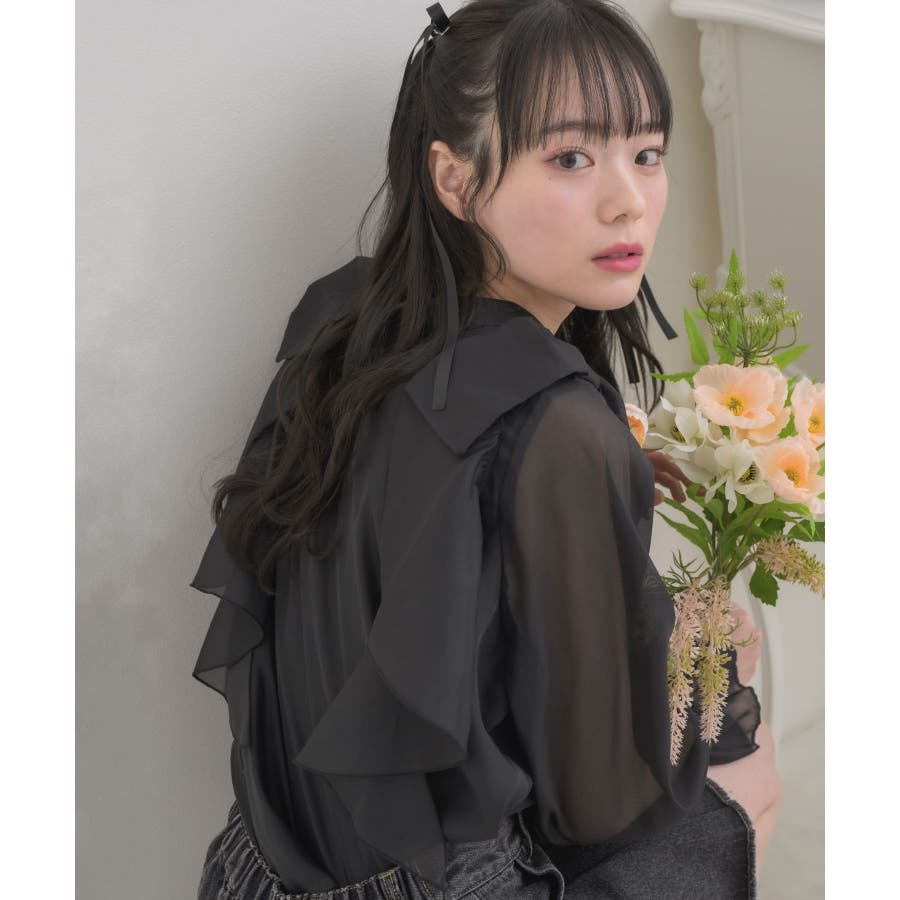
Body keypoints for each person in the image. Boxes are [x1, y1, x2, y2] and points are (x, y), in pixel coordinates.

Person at [189, 2, 780, 898]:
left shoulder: (346, 323)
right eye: (571, 158)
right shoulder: (558, 426)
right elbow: (601, 801)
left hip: (258, 869)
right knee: (750, 766)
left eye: (647, 153)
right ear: (455, 180)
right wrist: (713, 671)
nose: (628, 200)